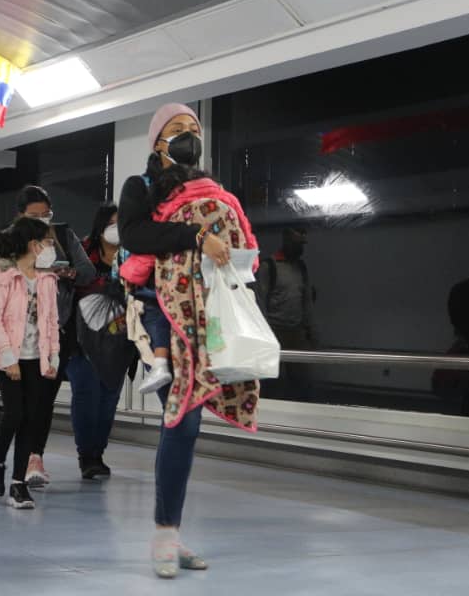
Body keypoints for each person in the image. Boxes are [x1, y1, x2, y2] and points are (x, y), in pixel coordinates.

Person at [118, 102, 260, 579]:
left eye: (193, 129)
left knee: (181, 421)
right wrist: (197, 236)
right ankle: (165, 534)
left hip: (206, 314)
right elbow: (137, 236)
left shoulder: (209, 189)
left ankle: (170, 532)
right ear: (158, 141)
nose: (188, 136)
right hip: (159, 314)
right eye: (177, 129)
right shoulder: (140, 187)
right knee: (183, 419)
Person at [0, 218, 60, 510]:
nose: (51, 247)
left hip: (36, 357)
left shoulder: (47, 279)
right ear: (33, 245)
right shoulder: (4, 275)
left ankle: (18, 483)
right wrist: (8, 358)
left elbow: (52, 321)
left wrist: (54, 356)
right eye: (47, 242)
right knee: (14, 413)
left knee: (31, 418)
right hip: (8, 357)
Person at [14, 185, 95, 486]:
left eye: (45, 214)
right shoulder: (10, 239)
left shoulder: (62, 235)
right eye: (34, 215)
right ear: (21, 215)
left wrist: (68, 273)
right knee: (23, 401)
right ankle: (14, 456)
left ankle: (35, 457)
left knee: (45, 398)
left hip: (56, 330)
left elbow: (87, 271)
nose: (41, 219)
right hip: (21, 331)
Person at [68, 203, 132, 479]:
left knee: (108, 400)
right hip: (82, 341)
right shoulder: (82, 254)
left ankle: (97, 452)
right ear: (100, 225)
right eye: (112, 223)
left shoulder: (131, 258)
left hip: (118, 342)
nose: (116, 229)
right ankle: (86, 455)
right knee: (86, 396)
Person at [257, 226, 315, 400]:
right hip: (275, 331)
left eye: (302, 244)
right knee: (273, 380)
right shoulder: (269, 266)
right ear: (287, 240)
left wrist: (310, 329)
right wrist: (265, 334)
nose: (300, 248)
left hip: (296, 331)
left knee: (301, 379)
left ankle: (301, 410)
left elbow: (306, 300)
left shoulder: (301, 267)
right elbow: (260, 301)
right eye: (297, 243)